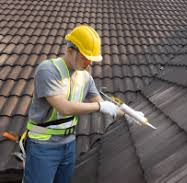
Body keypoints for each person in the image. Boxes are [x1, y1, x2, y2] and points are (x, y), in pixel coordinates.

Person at [22, 25, 127, 183]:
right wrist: (100, 106)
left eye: (91, 59)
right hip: (43, 145)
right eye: (85, 57)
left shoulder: (85, 78)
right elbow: (64, 108)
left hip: (69, 144)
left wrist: (129, 114)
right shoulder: (48, 70)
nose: (89, 63)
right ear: (70, 49)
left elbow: (104, 106)